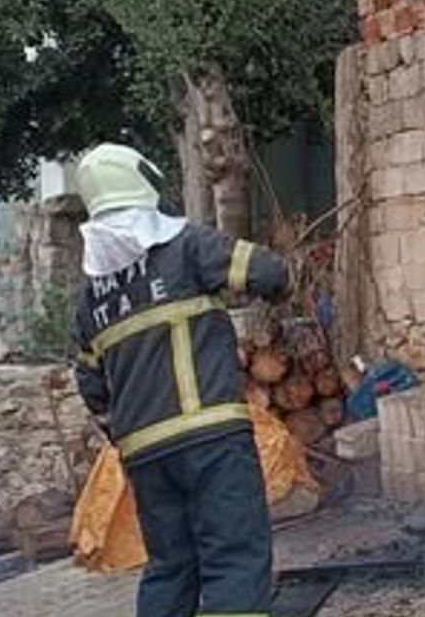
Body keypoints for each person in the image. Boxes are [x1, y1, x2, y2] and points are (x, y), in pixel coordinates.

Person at [71, 143, 289, 617]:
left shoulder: (91, 296)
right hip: (211, 439)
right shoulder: (185, 245)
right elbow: (269, 272)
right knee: (234, 557)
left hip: (146, 457)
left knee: (171, 566)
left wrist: (123, 433)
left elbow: (90, 383)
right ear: (141, 182)